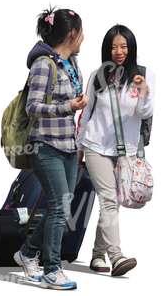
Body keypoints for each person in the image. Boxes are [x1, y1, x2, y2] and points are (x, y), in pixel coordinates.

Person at [13, 7, 88, 290]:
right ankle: (52, 270)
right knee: (59, 206)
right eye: (81, 31)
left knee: (62, 204)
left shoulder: (71, 64)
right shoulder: (44, 64)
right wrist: (68, 106)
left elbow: (72, 100)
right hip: (45, 145)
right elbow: (33, 107)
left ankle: (28, 252)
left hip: (68, 145)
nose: (83, 37)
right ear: (72, 33)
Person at [77, 24, 154, 277]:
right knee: (109, 200)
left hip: (126, 150)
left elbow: (145, 113)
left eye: (123, 46)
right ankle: (116, 256)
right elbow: (86, 114)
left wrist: (143, 93)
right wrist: (79, 148)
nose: (119, 51)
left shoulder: (142, 75)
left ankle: (98, 255)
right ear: (106, 49)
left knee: (112, 204)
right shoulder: (97, 75)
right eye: (113, 46)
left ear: (130, 48)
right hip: (96, 145)